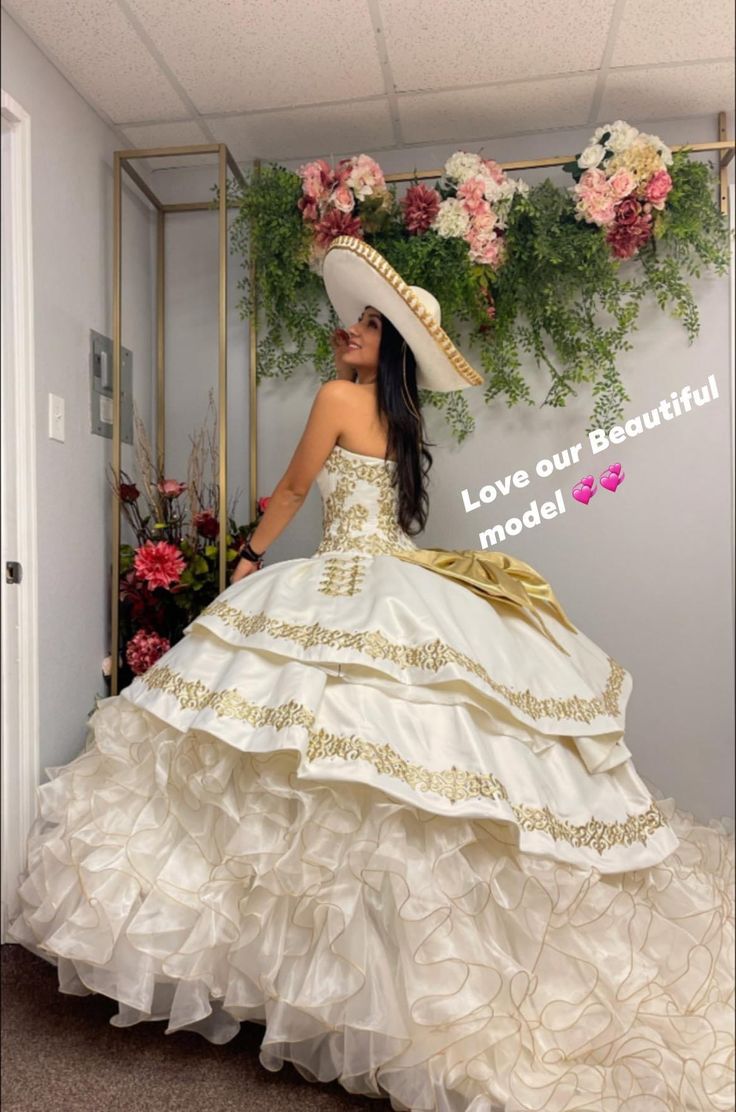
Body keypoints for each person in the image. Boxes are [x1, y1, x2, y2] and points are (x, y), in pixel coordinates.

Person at [9, 236, 734, 1112]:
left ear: (387, 341)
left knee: (296, 776)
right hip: (394, 578)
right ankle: (361, 997)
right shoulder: (400, 420)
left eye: (362, 323)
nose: (344, 332)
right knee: (380, 791)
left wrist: (245, 559)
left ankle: (288, 982)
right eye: (351, 320)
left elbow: (288, 491)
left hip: (350, 580)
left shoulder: (337, 399)